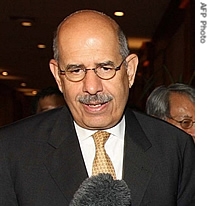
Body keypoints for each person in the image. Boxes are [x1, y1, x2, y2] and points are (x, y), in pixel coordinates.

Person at [0, 10, 194, 206]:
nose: (92, 87)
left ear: (130, 70)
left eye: (105, 68)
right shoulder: (11, 151)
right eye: (76, 70)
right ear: (58, 76)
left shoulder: (175, 147)